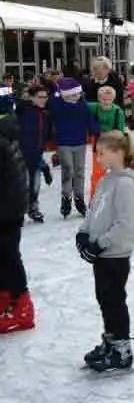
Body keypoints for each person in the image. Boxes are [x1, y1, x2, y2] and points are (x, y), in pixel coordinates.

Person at [75, 131, 134, 373]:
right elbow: (94, 212)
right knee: (104, 300)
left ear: (118, 153)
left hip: (115, 256)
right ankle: (111, 341)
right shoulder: (105, 180)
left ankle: (122, 350)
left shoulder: (125, 184)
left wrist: (100, 243)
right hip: (102, 255)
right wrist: (84, 234)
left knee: (114, 302)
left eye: (102, 153)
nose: (98, 157)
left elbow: (125, 223)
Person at [0, 86, 34, 334]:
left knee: (9, 256)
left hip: (7, 209)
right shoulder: (6, 131)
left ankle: (23, 307)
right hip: (9, 205)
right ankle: (6, 299)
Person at [50, 77, 98, 218]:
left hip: (80, 143)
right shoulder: (57, 105)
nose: (74, 97)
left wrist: (99, 132)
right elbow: (51, 101)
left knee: (80, 171)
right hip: (64, 142)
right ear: (64, 95)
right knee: (68, 170)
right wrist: (57, 91)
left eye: (76, 95)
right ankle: (66, 198)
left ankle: (79, 197)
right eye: (71, 95)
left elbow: (90, 121)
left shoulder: (82, 105)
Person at [17, 85, 51, 222]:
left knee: (35, 183)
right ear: (31, 98)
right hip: (21, 153)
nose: (43, 100)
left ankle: (33, 208)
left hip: (37, 152)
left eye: (45, 97)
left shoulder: (45, 113)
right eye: (40, 97)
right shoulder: (23, 110)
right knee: (22, 185)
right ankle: (18, 211)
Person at [87, 85, 127, 197]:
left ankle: (116, 197)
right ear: (99, 98)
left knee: (117, 173)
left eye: (109, 99)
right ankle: (94, 197)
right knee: (97, 173)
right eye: (103, 99)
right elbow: (81, 104)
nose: (106, 101)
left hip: (113, 145)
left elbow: (120, 132)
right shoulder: (94, 107)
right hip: (98, 145)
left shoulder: (118, 111)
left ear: (113, 99)